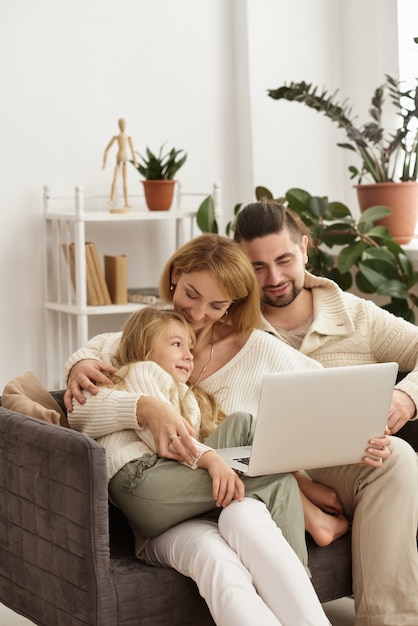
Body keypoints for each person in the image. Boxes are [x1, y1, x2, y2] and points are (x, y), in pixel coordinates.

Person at [63, 234, 391, 624]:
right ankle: (312, 522)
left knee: (243, 444)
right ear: (175, 277)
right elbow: (85, 392)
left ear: (232, 304)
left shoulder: (252, 348)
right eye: (191, 294)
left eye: (216, 305)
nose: (198, 314)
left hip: (203, 495)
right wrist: (137, 403)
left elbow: (323, 393)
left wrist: (363, 434)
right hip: (156, 488)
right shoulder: (138, 344)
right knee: (248, 505)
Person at [233, 200, 418, 626]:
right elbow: (137, 334)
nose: (274, 278)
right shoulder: (229, 320)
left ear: (304, 248)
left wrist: (406, 397)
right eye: (257, 267)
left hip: (345, 464)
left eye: (283, 260)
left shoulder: (355, 315)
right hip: (266, 469)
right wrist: (83, 363)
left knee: (399, 458)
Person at [102, 117, 137, 209]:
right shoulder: (116, 137)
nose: (122, 126)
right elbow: (106, 149)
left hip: (124, 157)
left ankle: (126, 202)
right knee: (115, 178)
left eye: (123, 124)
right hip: (119, 156)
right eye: (121, 124)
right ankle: (111, 199)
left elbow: (133, 150)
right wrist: (104, 162)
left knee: (125, 181)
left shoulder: (127, 137)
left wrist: (135, 162)